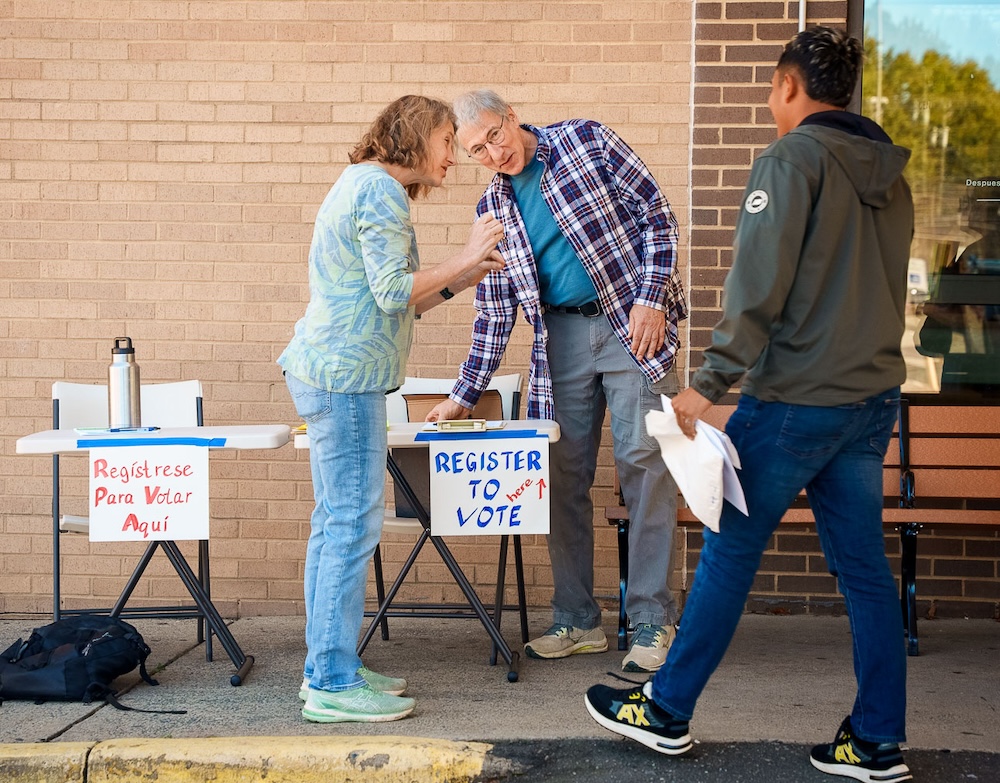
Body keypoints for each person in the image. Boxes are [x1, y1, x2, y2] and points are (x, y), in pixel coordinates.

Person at [585, 26, 915, 783]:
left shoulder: (792, 157)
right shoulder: (889, 175)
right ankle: (875, 741)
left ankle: (664, 710)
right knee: (865, 572)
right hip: (868, 401)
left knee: (730, 548)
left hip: (797, 399)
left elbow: (756, 286)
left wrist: (708, 382)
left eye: (771, 90)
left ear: (790, 86)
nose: (770, 104)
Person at [425, 89, 688, 673]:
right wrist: (463, 395)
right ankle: (577, 619)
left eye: (494, 135)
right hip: (559, 340)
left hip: (628, 321)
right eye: (476, 150)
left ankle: (651, 620)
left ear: (512, 117)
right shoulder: (491, 211)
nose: (492, 153)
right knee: (562, 475)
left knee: (644, 465)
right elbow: (494, 311)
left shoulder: (586, 141)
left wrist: (652, 301)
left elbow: (658, 217)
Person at [278, 95, 505, 723]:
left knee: (336, 526)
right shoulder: (378, 191)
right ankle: (330, 679)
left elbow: (399, 304)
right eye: (446, 140)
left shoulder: (367, 185)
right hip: (345, 379)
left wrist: (464, 277)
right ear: (412, 137)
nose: (454, 156)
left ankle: (328, 666)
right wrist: (463, 254)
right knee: (351, 527)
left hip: (332, 375)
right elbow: (389, 291)